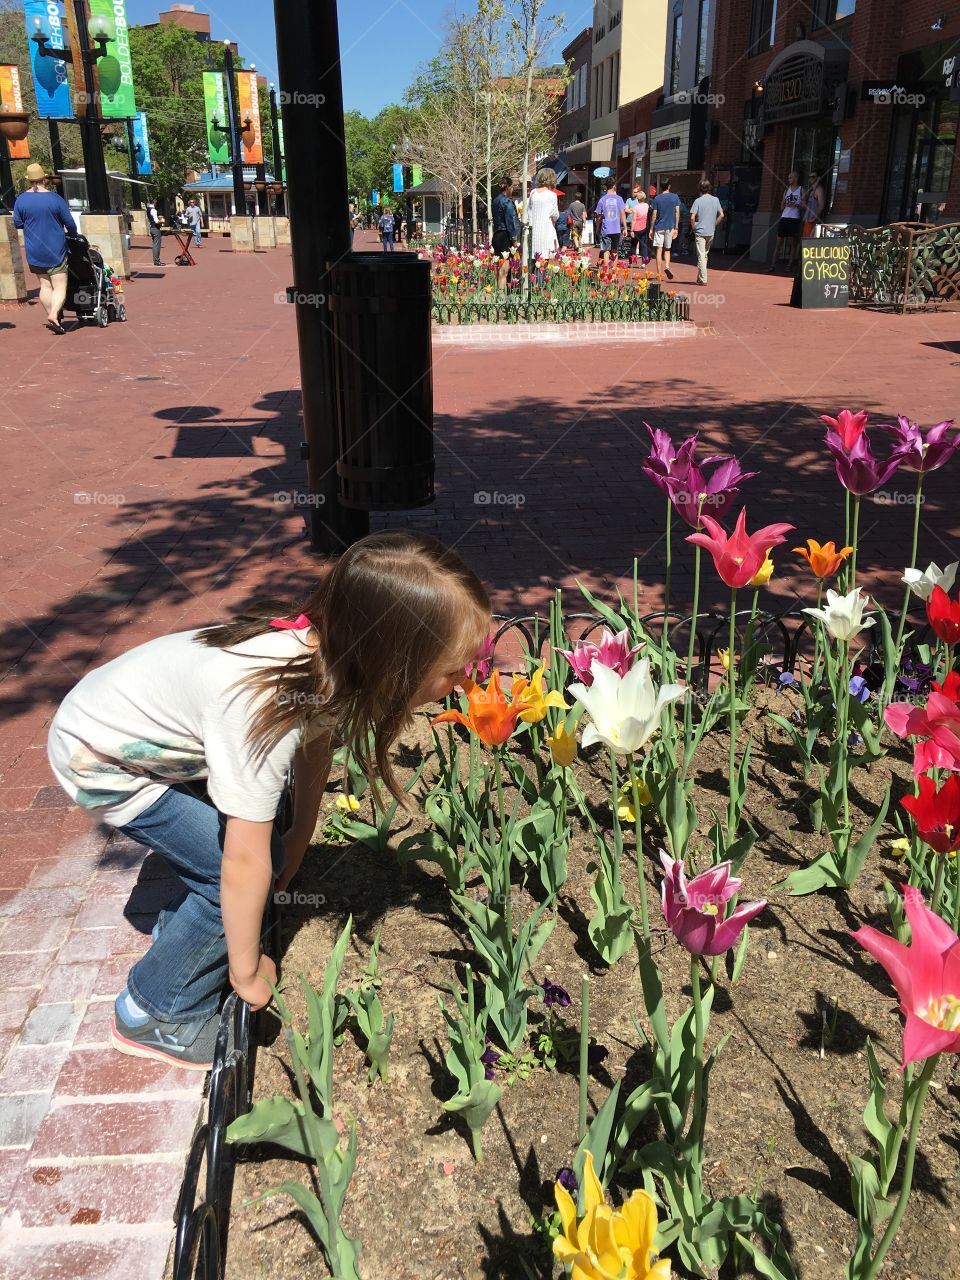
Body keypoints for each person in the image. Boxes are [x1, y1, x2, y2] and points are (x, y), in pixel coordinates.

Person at [46, 531, 490, 1071]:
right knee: (226, 875)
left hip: (138, 729)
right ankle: (155, 1010)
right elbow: (240, 863)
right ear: (392, 659)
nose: (465, 679)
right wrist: (246, 971)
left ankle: (186, 935)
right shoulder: (268, 701)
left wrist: (300, 832)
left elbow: (317, 737)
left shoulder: (326, 656)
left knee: (267, 856)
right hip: (102, 758)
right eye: (452, 668)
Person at [12, 163, 78, 335]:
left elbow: (17, 223)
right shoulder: (55, 199)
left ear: (29, 180)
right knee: (59, 286)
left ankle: (52, 316)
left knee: (44, 285)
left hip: (34, 249)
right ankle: (54, 314)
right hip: (55, 249)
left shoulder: (20, 200)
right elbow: (69, 223)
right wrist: (73, 234)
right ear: (44, 179)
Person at [689, 179, 725, 286]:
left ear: (700, 188)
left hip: (700, 231)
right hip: (710, 231)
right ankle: (700, 278)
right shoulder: (715, 200)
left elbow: (692, 217)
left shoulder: (698, 201)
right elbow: (722, 215)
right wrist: (714, 224)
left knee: (701, 255)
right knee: (704, 254)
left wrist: (694, 227)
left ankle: (703, 279)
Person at [767, 170, 804, 272]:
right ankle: (773, 265)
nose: (789, 180)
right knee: (779, 242)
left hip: (794, 218)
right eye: (788, 178)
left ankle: (789, 265)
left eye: (790, 178)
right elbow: (781, 205)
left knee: (792, 243)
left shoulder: (801, 190)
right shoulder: (786, 190)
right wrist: (785, 205)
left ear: (796, 178)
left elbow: (804, 205)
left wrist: (795, 205)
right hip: (784, 217)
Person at [649, 177, 681, 280]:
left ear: (660, 187)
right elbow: (677, 212)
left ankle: (659, 274)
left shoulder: (657, 198)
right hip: (670, 226)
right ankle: (667, 266)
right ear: (669, 186)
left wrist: (651, 228)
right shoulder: (675, 197)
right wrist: (676, 227)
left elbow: (654, 214)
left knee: (659, 249)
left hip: (659, 226)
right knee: (667, 249)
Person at [492, 177, 520, 289]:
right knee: (504, 270)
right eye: (512, 187)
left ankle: (498, 292)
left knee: (499, 268)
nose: (512, 189)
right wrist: (514, 239)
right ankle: (502, 295)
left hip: (497, 235)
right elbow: (511, 221)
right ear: (507, 187)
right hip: (505, 237)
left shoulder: (495, 201)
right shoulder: (507, 202)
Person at [528, 167, 560, 267]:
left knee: (533, 262)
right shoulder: (552, 195)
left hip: (533, 232)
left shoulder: (533, 193)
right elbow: (555, 215)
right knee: (544, 263)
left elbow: (529, 212)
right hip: (546, 231)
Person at [594, 176, 626, 264]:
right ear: (614, 186)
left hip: (606, 229)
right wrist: (625, 228)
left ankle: (606, 272)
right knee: (615, 251)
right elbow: (623, 213)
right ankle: (614, 273)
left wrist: (597, 228)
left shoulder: (602, 200)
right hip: (616, 229)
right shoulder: (619, 199)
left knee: (606, 251)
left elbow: (599, 216)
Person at [803, 172, 826, 239]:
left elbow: (821, 205)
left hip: (813, 221)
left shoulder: (819, 189)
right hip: (807, 219)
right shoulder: (812, 190)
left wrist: (814, 217)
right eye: (809, 177)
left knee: (809, 243)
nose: (811, 178)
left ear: (818, 177)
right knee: (806, 241)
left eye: (813, 176)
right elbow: (803, 198)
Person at [630, 186, 650, 261]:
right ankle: (644, 262)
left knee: (633, 245)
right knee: (644, 245)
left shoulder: (635, 207)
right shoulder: (647, 206)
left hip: (636, 229)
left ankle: (632, 260)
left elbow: (634, 219)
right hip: (644, 228)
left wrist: (631, 230)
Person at [146, 198, 164, 266]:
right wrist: (162, 220)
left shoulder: (148, 209)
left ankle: (156, 260)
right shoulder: (153, 210)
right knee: (157, 245)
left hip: (152, 228)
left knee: (154, 245)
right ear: (154, 202)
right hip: (155, 228)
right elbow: (156, 221)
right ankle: (157, 260)